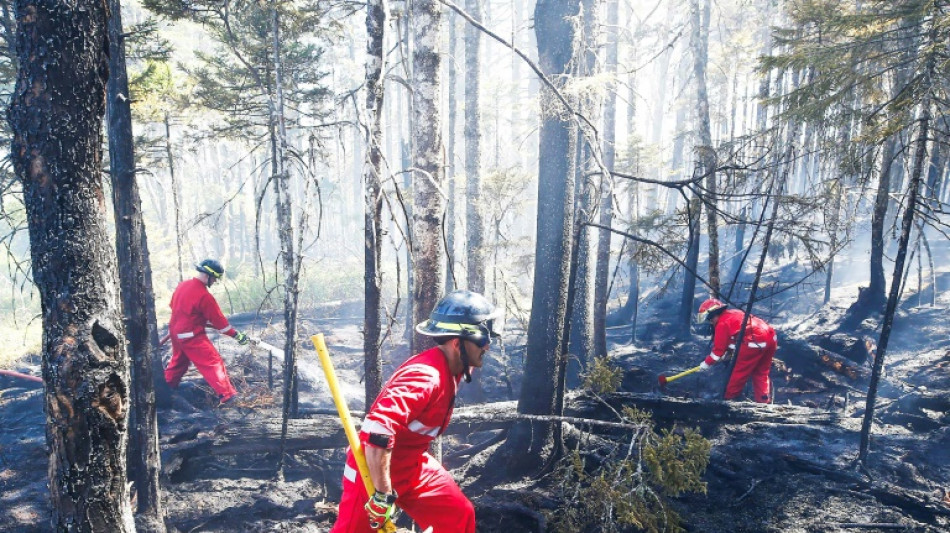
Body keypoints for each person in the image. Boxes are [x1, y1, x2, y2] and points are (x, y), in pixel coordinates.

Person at [331, 290, 501, 533]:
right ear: (457, 344)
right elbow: (378, 430)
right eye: (482, 342)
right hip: (371, 469)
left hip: (412, 465)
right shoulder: (425, 377)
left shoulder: (455, 366)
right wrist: (381, 493)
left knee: (457, 515)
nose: (487, 347)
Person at [163, 259, 250, 404]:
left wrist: (196, 319)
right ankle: (228, 396)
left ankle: (166, 388)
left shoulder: (182, 285)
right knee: (212, 362)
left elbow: (174, 306)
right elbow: (221, 324)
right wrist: (236, 335)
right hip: (191, 335)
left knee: (179, 362)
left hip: (175, 332)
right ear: (208, 275)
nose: (215, 281)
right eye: (215, 278)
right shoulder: (204, 296)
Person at [696, 298, 778, 403]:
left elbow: (717, 352)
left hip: (754, 342)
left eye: (710, 319)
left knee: (739, 372)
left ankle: (729, 400)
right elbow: (736, 338)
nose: (710, 322)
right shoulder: (734, 313)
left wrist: (706, 363)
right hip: (771, 337)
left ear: (713, 314)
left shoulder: (722, 324)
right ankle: (763, 401)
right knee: (761, 372)